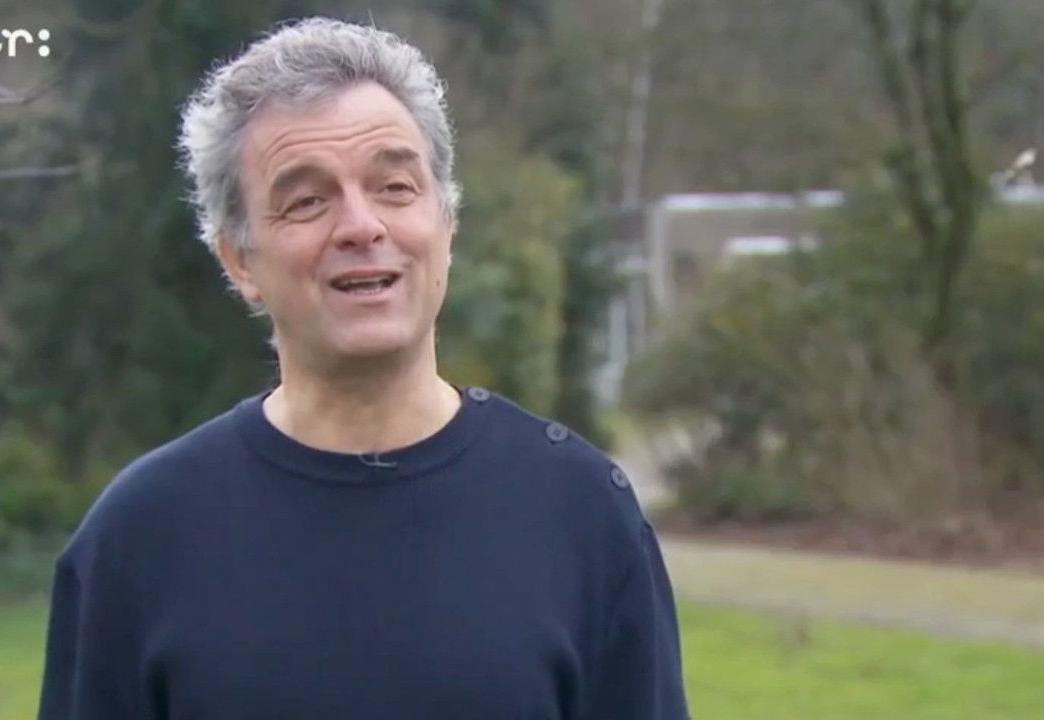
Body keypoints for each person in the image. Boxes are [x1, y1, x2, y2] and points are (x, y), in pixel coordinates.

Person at [36, 17, 689, 720]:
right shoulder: (139, 540)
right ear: (239, 261)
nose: (360, 226)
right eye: (307, 201)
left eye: (394, 187)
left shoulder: (582, 515)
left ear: (446, 224)